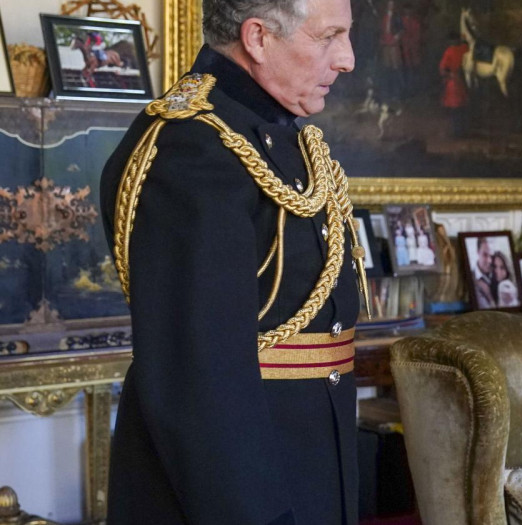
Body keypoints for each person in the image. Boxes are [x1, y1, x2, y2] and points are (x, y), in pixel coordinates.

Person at [98, 0, 361, 523]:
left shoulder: (275, 134)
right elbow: (200, 379)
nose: (347, 59)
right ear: (258, 38)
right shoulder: (190, 148)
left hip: (307, 464)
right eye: (328, 36)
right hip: (237, 494)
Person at [438, 32, 470, 137]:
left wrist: (448, 75)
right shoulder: (465, 48)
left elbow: (443, 68)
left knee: (455, 109)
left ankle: (457, 132)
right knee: (461, 108)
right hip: (463, 82)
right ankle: (461, 131)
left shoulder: (450, 51)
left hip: (454, 83)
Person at [474, 237, 495, 308]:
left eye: (491, 256)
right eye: (485, 255)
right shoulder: (471, 277)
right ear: (478, 252)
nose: (489, 260)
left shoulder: (498, 274)